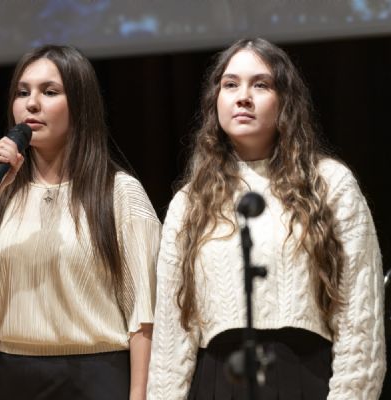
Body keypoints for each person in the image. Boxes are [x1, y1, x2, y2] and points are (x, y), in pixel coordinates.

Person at [146, 38, 386, 399]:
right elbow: (171, 335)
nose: (243, 97)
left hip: (303, 380)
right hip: (217, 384)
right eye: (230, 85)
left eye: (260, 84)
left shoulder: (330, 184)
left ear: (285, 101)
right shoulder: (190, 202)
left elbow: (360, 320)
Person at [0, 44, 160, 400]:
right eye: (22, 92)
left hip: (95, 377)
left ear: (80, 104)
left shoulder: (119, 192)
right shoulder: (5, 193)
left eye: (49, 92)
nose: (32, 104)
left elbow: (145, 318)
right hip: (13, 377)